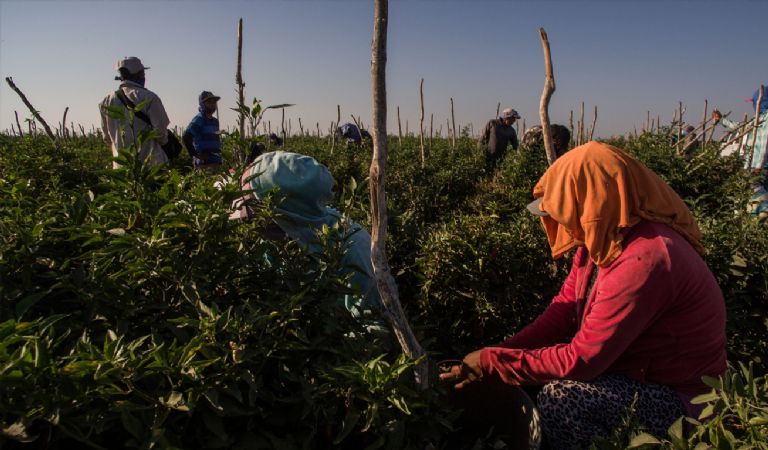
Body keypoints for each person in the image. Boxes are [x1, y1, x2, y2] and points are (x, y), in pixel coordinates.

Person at [440, 141, 727, 449]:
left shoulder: (645, 258)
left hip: (681, 399)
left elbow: (583, 360)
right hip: (630, 372)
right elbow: (563, 310)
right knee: (529, 376)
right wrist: (498, 352)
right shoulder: (602, 240)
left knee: (561, 399)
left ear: (589, 201)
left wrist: (495, 363)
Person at [229, 151, 389, 336]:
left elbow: (376, 329)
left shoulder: (354, 250)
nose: (253, 224)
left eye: (258, 213)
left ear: (288, 214)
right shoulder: (275, 237)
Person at [100, 56, 170, 169]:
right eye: (143, 73)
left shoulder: (106, 102)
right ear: (139, 74)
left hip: (122, 168)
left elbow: (107, 138)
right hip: (151, 167)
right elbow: (161, 134)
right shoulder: (149, 98)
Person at [713, 86, 768, 218]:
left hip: (760, 167)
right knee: (751, 195)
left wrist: (760, 165)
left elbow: (765, 142)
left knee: (757, 195)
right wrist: (722, 120)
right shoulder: (757, 119)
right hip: (753, 166)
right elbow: (741, 127)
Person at [184, 91, 222, 170]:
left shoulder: (215, 121)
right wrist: (195, 154)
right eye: (209, 102)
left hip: (216, 162)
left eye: (214, 102)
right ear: (202, 104)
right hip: (204, 165)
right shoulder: (199, 119)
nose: (212, 104)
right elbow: (186, 137)